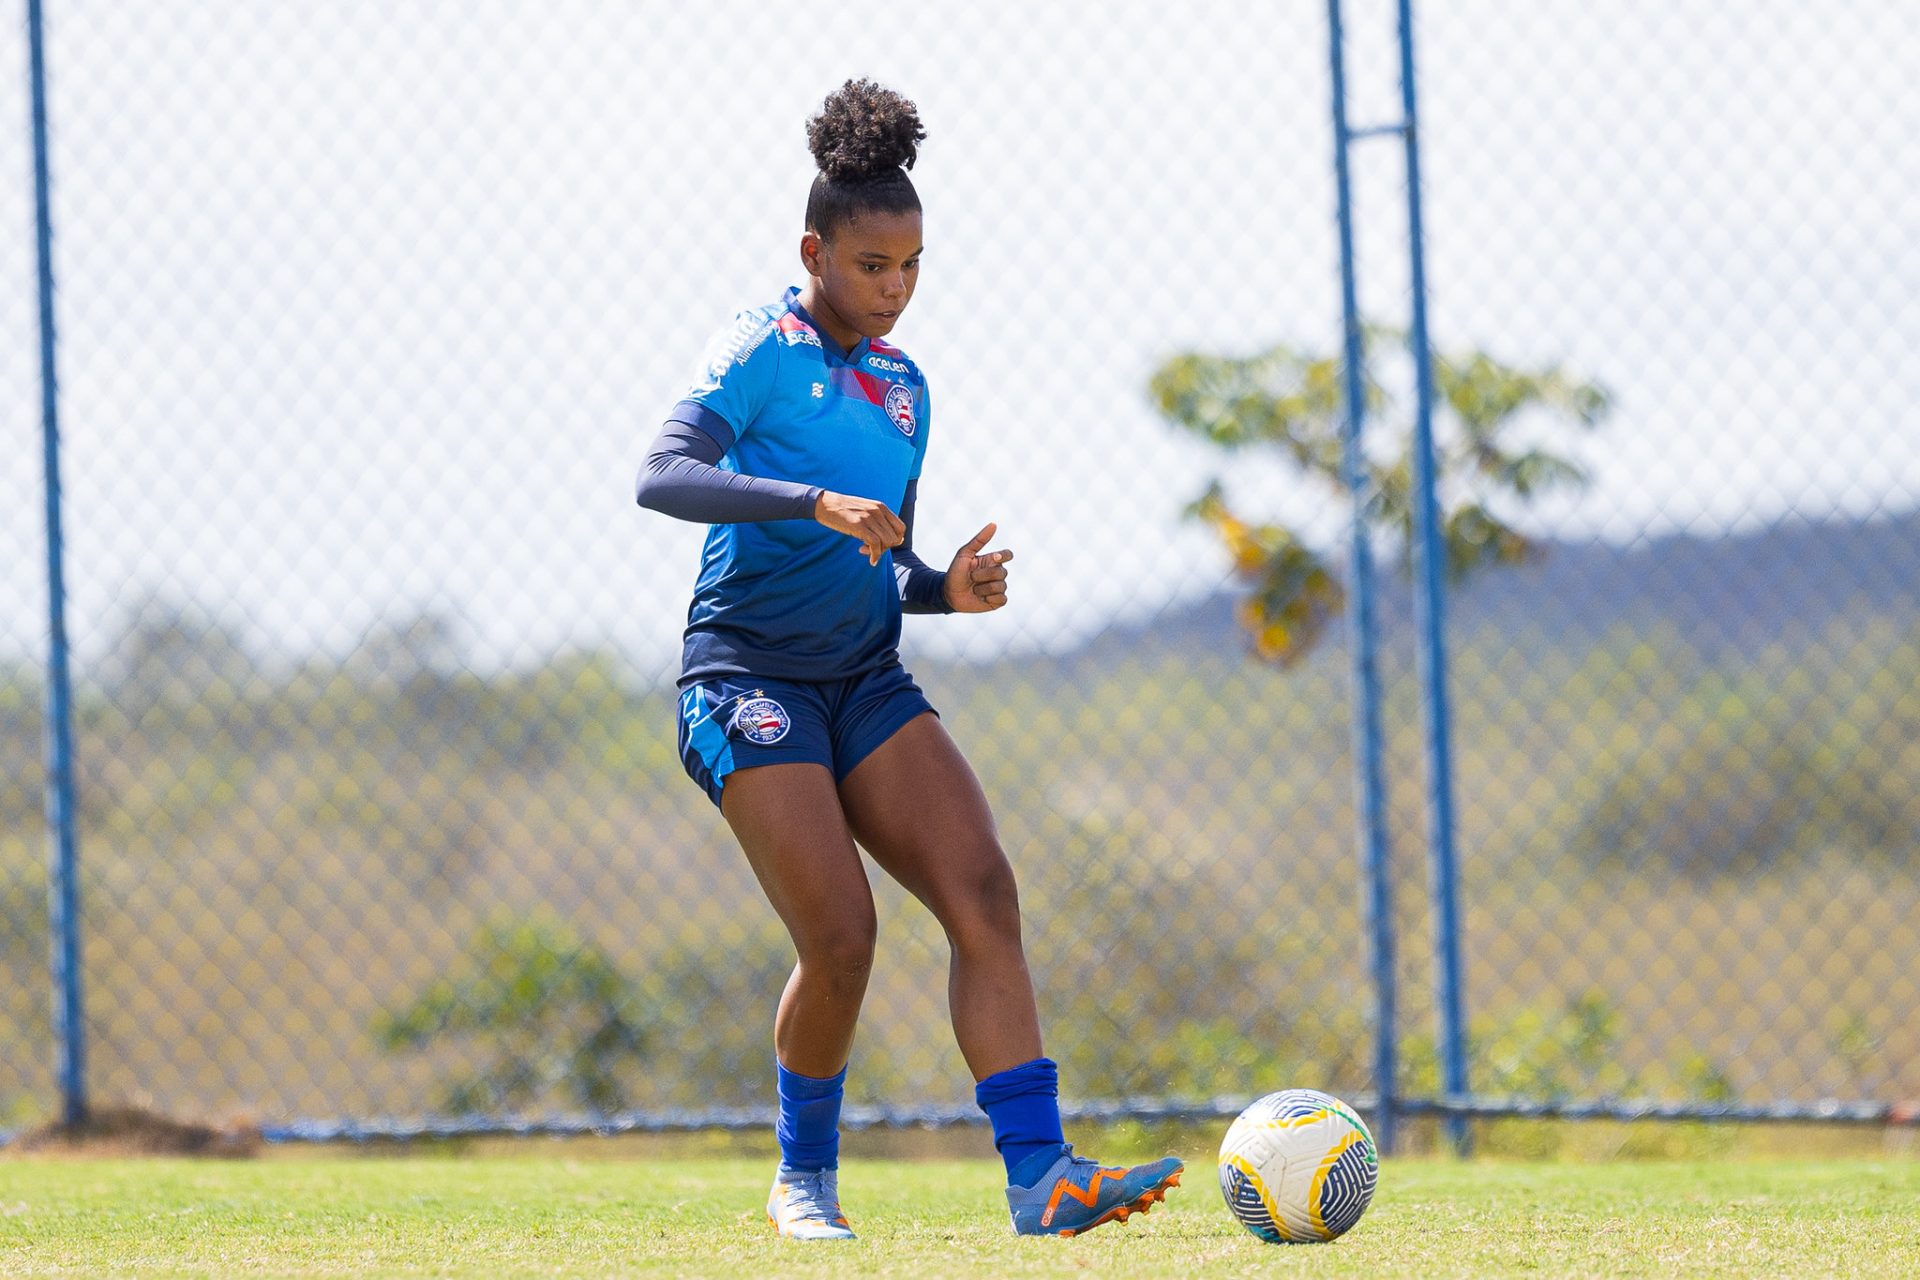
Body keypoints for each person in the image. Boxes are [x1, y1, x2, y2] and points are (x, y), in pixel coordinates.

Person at [636, 79, 1182, 1241]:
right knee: (842, 935)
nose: (894, 290)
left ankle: (1043, 1177)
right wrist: (809, 499)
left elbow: (885, 559)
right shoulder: (759, 349)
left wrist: (946, 588)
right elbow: (663, 471)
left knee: (983, 891)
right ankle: (804, 1177)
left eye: (913, 266)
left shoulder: (903, 389)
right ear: (814, 251)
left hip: (866, 678)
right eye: (873, 264)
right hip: (745, 678)